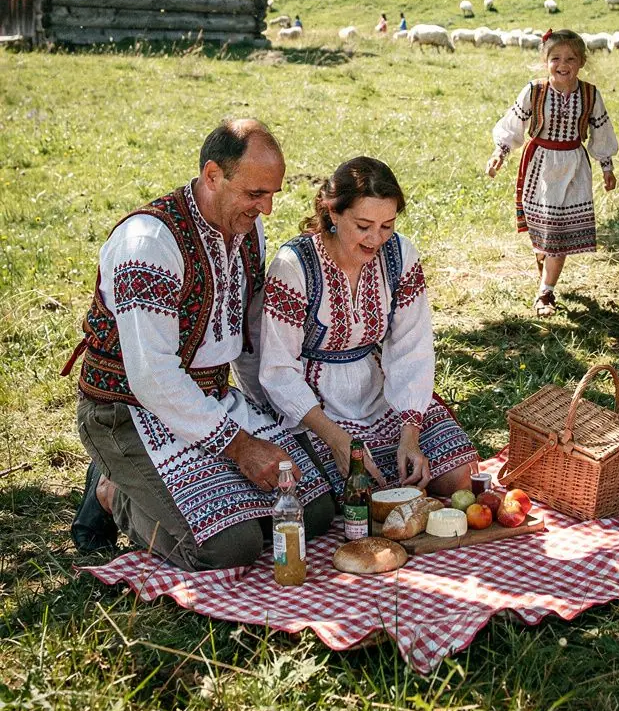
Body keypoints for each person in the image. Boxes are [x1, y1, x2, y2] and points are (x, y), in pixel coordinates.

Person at [67, 119, 335, 567]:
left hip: (210, 401)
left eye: (273, 194)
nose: (267, 208)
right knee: (227, 548)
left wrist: (268, 414)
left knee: (313, 512)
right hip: (129, 409)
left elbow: (248, 338)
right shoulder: (148, 243)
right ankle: (112, 489)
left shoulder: (246, 229)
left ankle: (183, 485)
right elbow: (152, 376)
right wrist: (242, 447)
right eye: (255, 194)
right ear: (212, 176)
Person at [235, 157, 478, 497]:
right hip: (315, 407)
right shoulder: (295, 266)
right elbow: (278, 370)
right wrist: (338, 441)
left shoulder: (400, 256)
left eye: (387, 225)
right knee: (355, 494)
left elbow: (412, 348)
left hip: (378, 392)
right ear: (333, 213)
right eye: (363, 226)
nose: (375, 239)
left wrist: (410, 433)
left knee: (458, 478)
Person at [486, 29, 618, 319]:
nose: (563, 64)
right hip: (541, 166)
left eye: (571, 58)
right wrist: (500, 153)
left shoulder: (590, 94)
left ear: (582, 61)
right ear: (545, 61)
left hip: (573, 165)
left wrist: (606, 166)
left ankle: (545, 291)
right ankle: (544, 263)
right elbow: (513, 125)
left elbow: (601, 131)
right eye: (556, 57)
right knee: (543, 233)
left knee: (558, 234)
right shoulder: (535, 91)